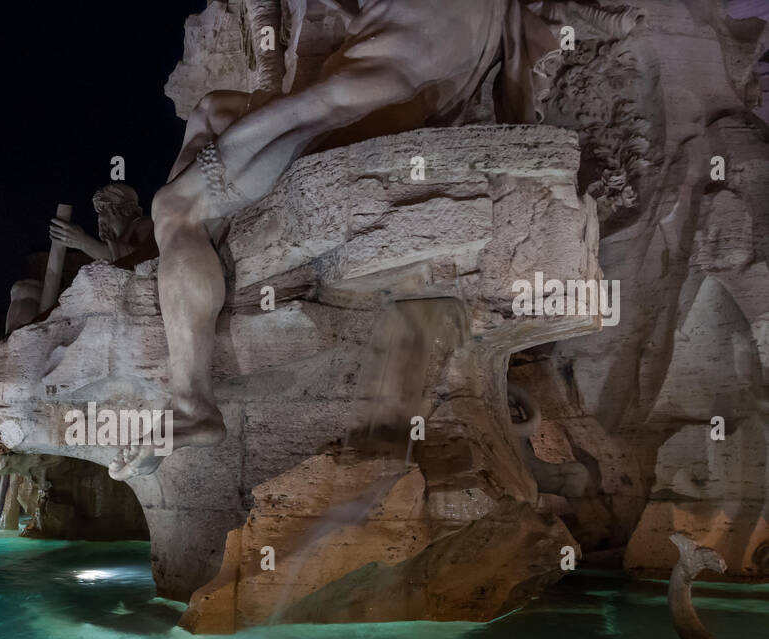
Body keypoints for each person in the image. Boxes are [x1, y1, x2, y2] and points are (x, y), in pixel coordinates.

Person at [107, 0, 568, 481]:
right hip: (379, 88)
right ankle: (184, 262)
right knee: (208, 111)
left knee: (173, 206)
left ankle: (192, 403)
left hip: (352, 100)